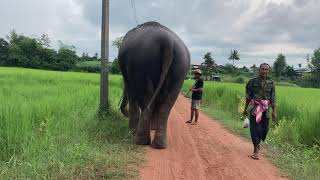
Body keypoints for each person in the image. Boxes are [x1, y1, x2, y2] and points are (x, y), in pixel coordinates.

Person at [243, 63, 277, 160]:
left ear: (269, 71)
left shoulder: (271, 83)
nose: (264, 71)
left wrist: (274, 111)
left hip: (265, 110)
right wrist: (245, 109)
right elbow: (248, 97)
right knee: (254, 129)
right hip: (254, 108)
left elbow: (273, 98)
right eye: (263, 69)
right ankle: (255, 150)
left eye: (266, 69)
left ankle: (258, 143)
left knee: (264, 130)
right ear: (259, 70)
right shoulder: (252, 82)